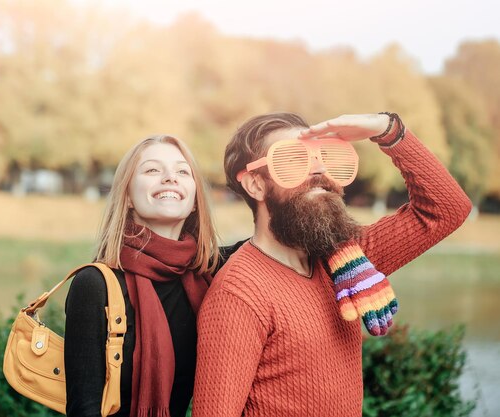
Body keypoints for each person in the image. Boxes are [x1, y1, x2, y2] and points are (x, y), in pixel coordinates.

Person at [192, 112, 472, 417]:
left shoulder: (348, 262)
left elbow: (447, 209)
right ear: (256, 185)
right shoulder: (238, 294)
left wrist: (388, 130)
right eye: (293, 159)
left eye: (324, 155)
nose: (319, 168)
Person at [64, 135, 219, 417]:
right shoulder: (95, 284)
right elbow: (83, 408)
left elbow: (275, 230)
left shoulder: (211, 273)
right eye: (152, 170)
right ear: (128, 197)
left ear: (195, 200)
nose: (170, 178)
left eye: (183, 171)